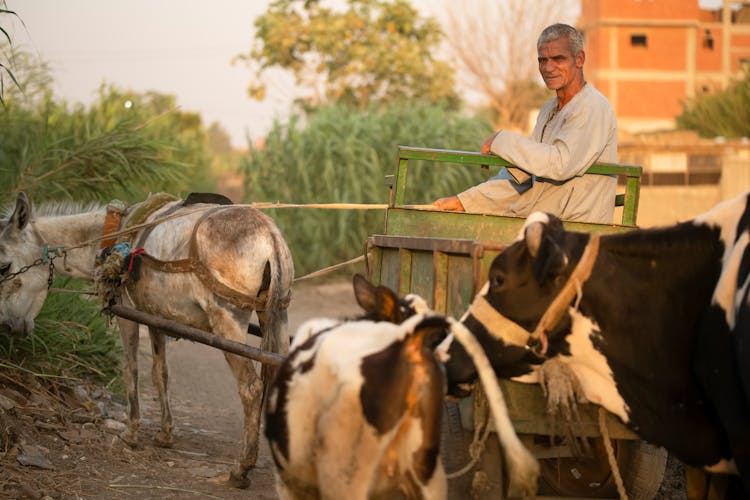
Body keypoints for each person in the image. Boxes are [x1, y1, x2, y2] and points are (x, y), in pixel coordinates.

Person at [433, 23, 617, 224]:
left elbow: (560, 164)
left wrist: (501, 140)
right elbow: (522, 175)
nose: (548, 67)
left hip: (577, 226)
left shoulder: (592, 107)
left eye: (558, 59)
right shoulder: (549, 109)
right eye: (542, 60)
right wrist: (465, 201)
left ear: (579, 59)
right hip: (546, 221)